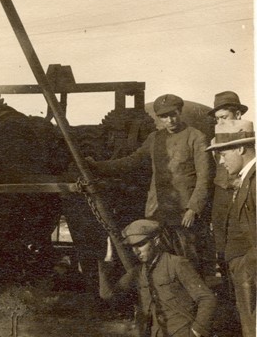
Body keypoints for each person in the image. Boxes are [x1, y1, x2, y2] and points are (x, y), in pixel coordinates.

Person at [87, 94, 214, 270]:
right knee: (158, 260)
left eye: (173, 114)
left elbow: (205, 177)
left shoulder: (196, 137)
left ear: (180, 112)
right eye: (164, 116)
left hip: (184, 214)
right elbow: (132, 161)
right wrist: (97, 166)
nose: (170, 120)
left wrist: (193, 208)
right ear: (159, 118)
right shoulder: (155, 138)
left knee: (187, 259)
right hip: (157, 212)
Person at [99, 219, 216, 337]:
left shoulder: (176, 264)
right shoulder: (138, 272)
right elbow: (107, 294)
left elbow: (207, 298)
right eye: (132, 247)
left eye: (141, 244)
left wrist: (196, 331)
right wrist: (107, 262)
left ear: (156, 241)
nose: (136, 251)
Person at [205, 119, 256, 337]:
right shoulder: (246, 179)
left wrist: (246, 265)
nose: (221, 161)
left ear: (240, 149)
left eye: (223, 154)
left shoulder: (255, 181)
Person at [208, 92, 249, 257]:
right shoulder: (214, 142)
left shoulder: (251, 138)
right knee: (220, 240)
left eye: (224, 117)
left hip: (243, 193)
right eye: (217, 119)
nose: (220, 123)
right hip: (221, 195)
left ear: (237, 114)